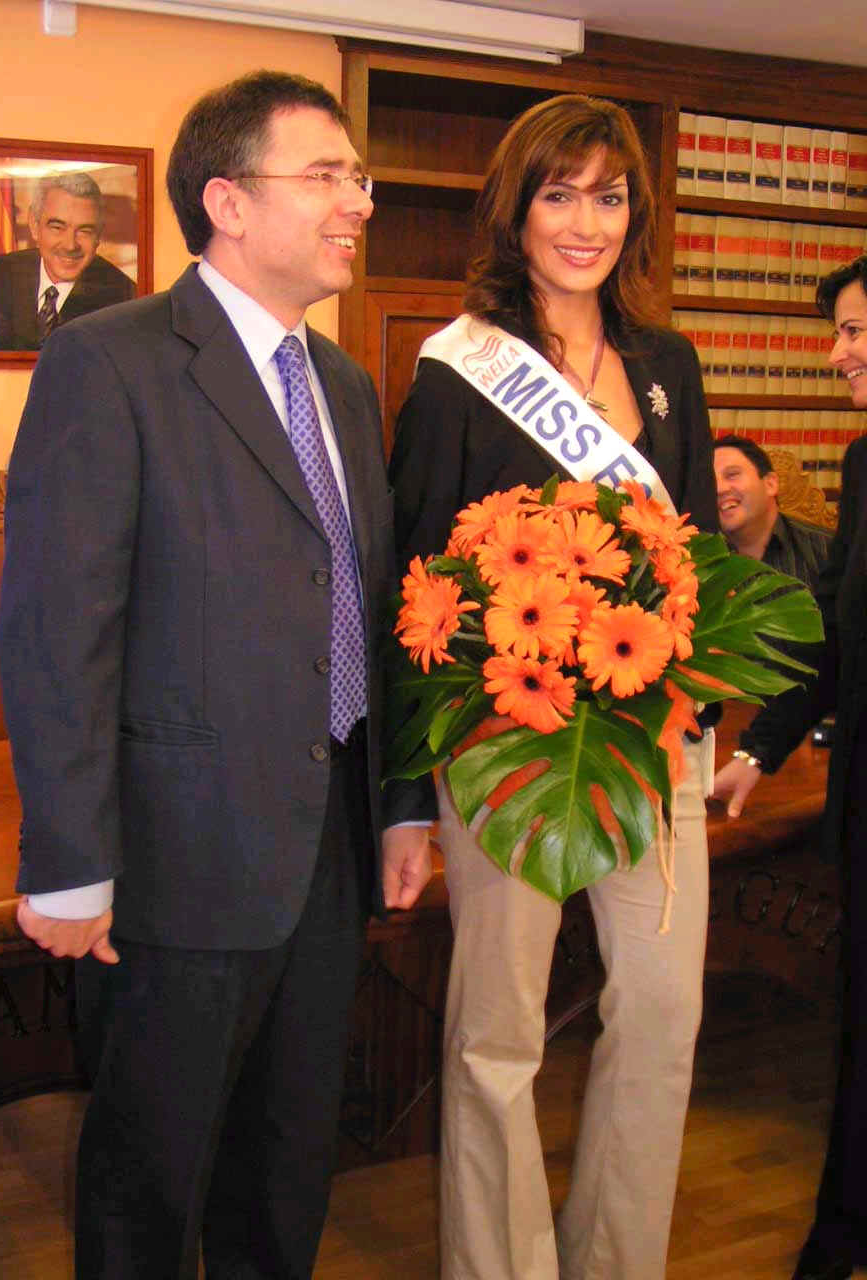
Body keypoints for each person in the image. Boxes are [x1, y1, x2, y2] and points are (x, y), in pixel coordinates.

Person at [0, 70, 432, 1280]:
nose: (359, 201)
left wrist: (400, 799)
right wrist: (68, 858)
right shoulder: (110, 361)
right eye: (327, 175)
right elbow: (58, 628)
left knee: (286, 1173)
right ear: (229, 202)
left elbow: (369, 605)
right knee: (149, 1185)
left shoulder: (344, 383)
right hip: (173, 858)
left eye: (359, 176)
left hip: (327, 850)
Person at [389, 93, 717, 1280]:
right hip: (508, 744)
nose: (586, 223)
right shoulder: (458, 372)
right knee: (498, 1035)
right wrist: (406, 797)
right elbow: (414, 587)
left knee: (663, 1014)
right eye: (560, 194)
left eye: (610, 196)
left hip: (650, 739)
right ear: (515, 210)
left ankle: (617, 1261)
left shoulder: (668, 363)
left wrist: (703, 706)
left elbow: (695, 555)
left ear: (637, 213)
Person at [714, 254, 867, 1280]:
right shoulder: (863, 461)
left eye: (854, 330)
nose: (837, 353)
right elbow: (837, 636)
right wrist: (758, 751)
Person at [0, 171, 136, 350]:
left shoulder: (124, 300)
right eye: (57, 227)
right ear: (34, 225)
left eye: (85, 231)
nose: (70, 245)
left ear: (98, 235)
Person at [713, 434, 831, 586]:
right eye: (711, 481)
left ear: (770, 484)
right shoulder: (698, 557)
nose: (719, 489)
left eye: (732, 475)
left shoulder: (826, 551)